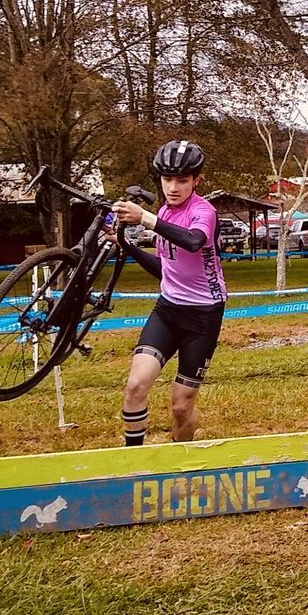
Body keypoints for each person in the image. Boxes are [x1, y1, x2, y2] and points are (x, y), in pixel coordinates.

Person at [108, 139, 227, 445]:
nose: (173, 187)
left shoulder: (204, 211)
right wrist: (130, 248)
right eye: (167, 179)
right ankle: (133, 461)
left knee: (181, 407)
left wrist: (146, 219)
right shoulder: (165, 211)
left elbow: (192, 241)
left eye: (182, 180)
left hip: (203, 315)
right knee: (135, 385)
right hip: (168, 309)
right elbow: (165, 268)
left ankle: (181, 462)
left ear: (196, 180)